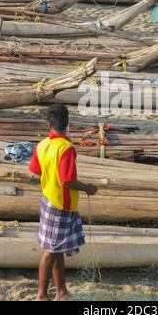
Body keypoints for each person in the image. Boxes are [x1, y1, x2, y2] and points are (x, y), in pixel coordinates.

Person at [29, 104, 98, 301]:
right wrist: (88, 188)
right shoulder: (66, 148)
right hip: (61, 205)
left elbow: (35, 169)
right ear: (67, 125)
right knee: (51, 251)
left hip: (48, 200)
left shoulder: (42, 145)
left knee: (57, 248)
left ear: (49, 126)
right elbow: (67, 180)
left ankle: (61, 292)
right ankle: (41, 295)